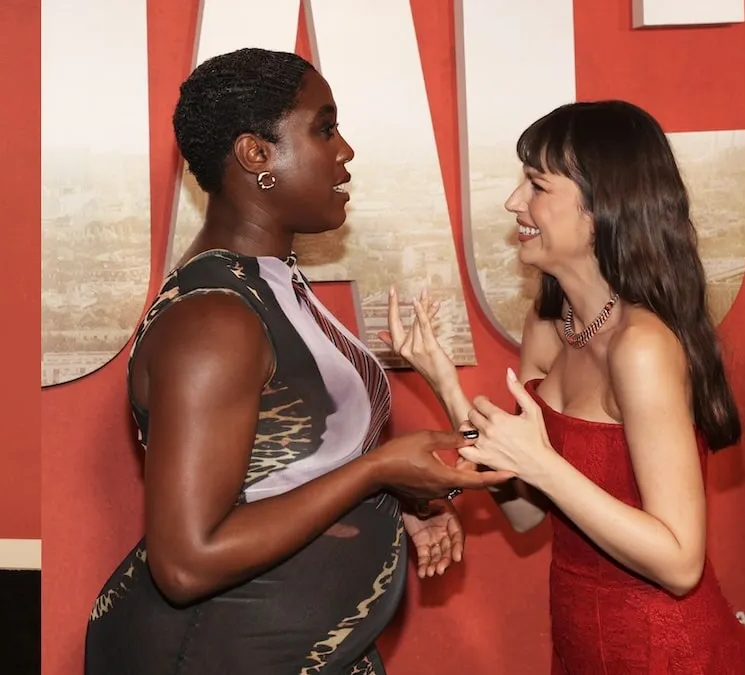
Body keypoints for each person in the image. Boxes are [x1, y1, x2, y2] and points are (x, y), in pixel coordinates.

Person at [82, 47, 512, 675]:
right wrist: (376, 474)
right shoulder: (216, 320)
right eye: (324, 127)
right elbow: (186, 562)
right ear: (257, 154)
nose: (345, 151)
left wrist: (390, 498)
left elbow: (284, 473)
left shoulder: (270, 281)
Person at [383, 100, 745, 673]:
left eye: (536, 184)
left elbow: (680, 562)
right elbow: (527, 513)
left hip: (665, 650)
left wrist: (542, 464)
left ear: (601, 208)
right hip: (582, 641)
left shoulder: (641, 346)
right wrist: (446, 385)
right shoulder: (550, 324)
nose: (514, 202)